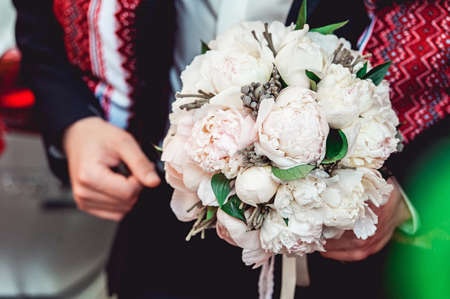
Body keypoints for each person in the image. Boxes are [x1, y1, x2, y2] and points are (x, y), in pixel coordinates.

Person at [13, 0, 448, 298]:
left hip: (373, 254)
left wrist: (410, 198)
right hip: (165, 229)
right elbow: (38, 15)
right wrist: (76, 124)